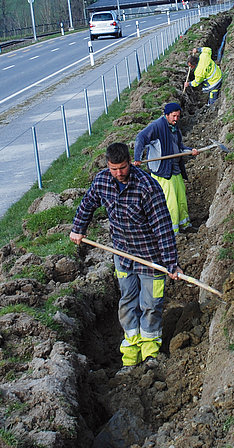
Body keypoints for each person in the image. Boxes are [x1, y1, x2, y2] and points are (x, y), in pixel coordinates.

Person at [70, 142, 180, 368]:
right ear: (107, 165)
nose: (118, 173)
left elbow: (162, 228)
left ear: (130, 162)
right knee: (128, 301)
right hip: (122, 254)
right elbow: (88, 203)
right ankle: (130, 354)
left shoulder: (147, 187)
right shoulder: (102, 180)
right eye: (113, 168)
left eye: (122, 167)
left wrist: (171, 263)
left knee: (151, 304)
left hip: (151, 258)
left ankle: (150, 352)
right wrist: (78, 228)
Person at [134, 102, 198, 234]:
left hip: (175, 169)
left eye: (178, 116)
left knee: (181, 199)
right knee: (171, 203)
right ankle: (172, 232)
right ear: (166, 115)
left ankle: (185, 225)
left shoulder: (175, 128)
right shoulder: (157, 126)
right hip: (163, 171)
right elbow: (140, 138)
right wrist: (137, 158)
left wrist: (190, 150)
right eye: (174, 116)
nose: (176, 119)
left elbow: (180, 147)